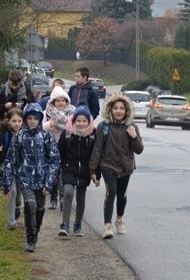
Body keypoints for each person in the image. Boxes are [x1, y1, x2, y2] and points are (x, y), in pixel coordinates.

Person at [2, 103, 60, 252]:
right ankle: (30, 238)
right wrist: (7, 183)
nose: (32, 121)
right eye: (29, 118)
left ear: (40, 119)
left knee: (40, 208)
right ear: (25, 119)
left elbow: (54, 159)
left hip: (42, 179)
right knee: (30, 205)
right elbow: (10, 160)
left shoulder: (46, 137)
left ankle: (36, 229)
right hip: (25, 178)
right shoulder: (20, 137)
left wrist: (49, 183)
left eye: (35, 118)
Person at [89, 93, 144, 239]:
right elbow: (97, 149)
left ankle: (119, 219)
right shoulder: (103, 127)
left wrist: (134, 137)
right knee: (111, 192)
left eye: (121, 108)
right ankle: (107, 226)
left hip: (125, 167)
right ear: (110, 110)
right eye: (115, 108)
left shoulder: (132, 127)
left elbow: (139, 150)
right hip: (108, 165)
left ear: (126, 111)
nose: (118, 111)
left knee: (122, 195)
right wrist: (93, 170)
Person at [57, 105, 97, 237]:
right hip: (69, 169)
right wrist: (59, 169)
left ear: (88, 122)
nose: (81, 124)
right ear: (73, 121)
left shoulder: (92, 136)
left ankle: (78, 225)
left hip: (84, 171)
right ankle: (65, 224)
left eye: (84, 121)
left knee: (81, 197)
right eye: (78, 121)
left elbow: (96, 156)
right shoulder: (67, 134)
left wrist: (95, 173)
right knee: (68, 193)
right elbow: (59, 153)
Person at [42, 85, 75, 209]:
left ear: (67, 101)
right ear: (53, 102)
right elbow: (40, 128)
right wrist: (49, 124)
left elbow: (77, 127)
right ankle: (53, 197)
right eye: (58, 101)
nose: (61, 103)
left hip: (67, 147)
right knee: (54, 174)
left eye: (63, 100)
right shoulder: (47, 113)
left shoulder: (73, 112)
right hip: (51, 146)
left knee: (64, 173)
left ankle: (63, 197)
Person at [0, 108, 24, 229]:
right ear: (8, 121)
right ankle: (11, 221)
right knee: (12, 191)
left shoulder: (26, 133)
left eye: (19, 121)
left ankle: (17, 206)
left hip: (21, 166)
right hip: (7, 165)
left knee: (19, 193)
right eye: (14, 121)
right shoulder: (3, 134)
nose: (17, 124)